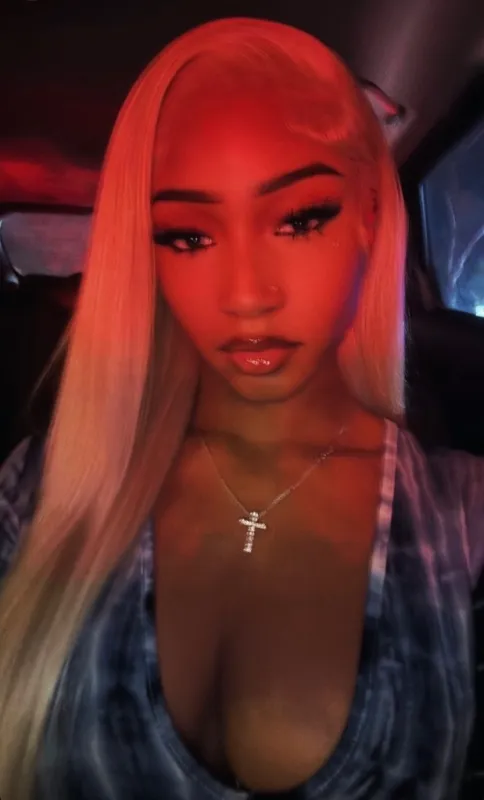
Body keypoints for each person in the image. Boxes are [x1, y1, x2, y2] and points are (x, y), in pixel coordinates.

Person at [0, 16, 482, 800]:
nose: (248, 295)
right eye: (187, 236)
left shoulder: (463, 519)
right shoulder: (45, 490)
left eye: (300, 219)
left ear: (369, 216)